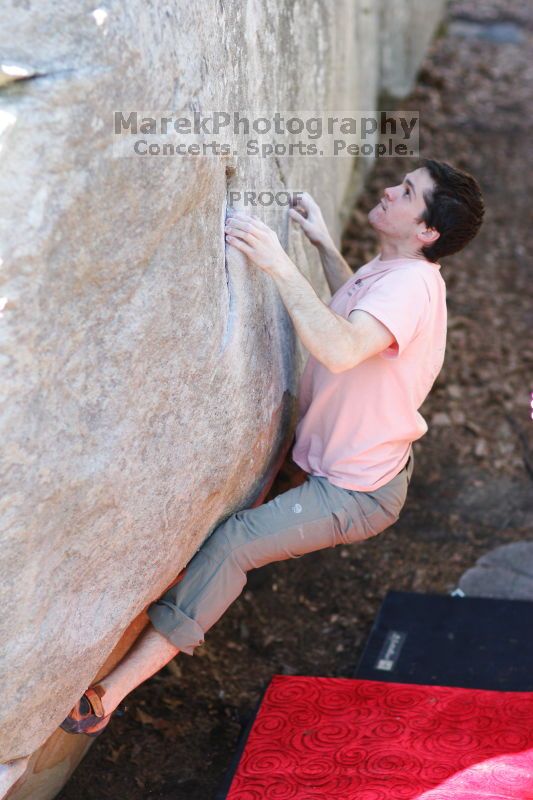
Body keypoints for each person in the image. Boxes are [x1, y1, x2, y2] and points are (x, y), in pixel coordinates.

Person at [61, 159, 484, 736]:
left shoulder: (409, 286)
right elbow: (361, 319)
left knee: (235, 543)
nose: (390, 188)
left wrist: (278, 262)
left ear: (426, 231)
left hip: (356, 490)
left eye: (407, 191)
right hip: (339, 461)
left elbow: (339, 349)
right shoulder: (399, 272)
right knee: (242, 524)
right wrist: (323, 245)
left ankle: (110, 696)